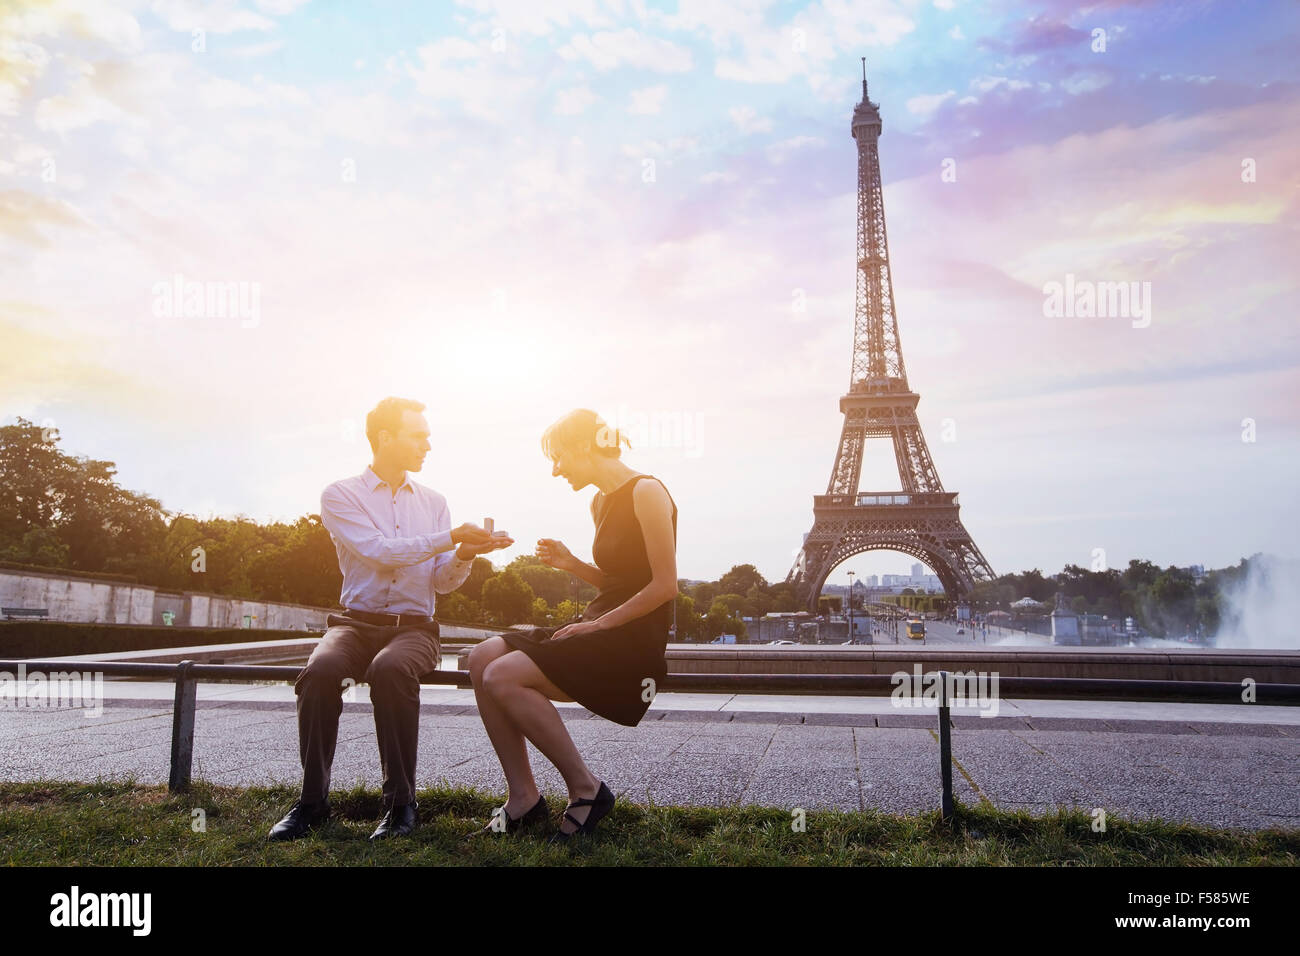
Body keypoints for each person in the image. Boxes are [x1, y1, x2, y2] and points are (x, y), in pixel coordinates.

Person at [267, 397, 512, 842]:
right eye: (418, 436)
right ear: (385, 438)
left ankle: (401, 805)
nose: (428, 445)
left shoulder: (435, 502)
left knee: (391, 668)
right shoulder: (340, 494)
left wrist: (464, 554)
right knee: (319, 671)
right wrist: (450, 536)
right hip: (352, 625)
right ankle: (312, 803)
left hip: (414, 629)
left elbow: (440, 584)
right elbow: (379, 553)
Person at [467, 408, 678, 842]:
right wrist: (572, 564)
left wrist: (596, 628)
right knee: (480, 656)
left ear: (584, 445)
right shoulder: (600, 499)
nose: (556, 469)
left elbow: (664, 587)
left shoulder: (648, 491)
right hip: (599, 623)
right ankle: (523, 797)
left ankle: (587, 789)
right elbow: (619, 582)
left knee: (502, 676)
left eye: (559, 456)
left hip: (630, 639)